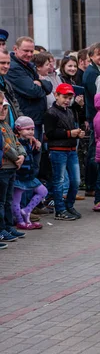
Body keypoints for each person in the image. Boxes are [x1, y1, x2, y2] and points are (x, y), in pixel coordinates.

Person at [6, 37, 53, 164]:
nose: (29, 54)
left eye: (32, 51)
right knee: (29, 160)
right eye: (26, 50)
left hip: (35, 118)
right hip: (25, 121)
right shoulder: (14, 67)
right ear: (15, 49)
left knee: (36, 157)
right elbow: (32, 91)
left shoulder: (30, 65)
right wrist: (38, 85)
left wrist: (39, 83)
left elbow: (49, 86)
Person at [44, 83, 85, 220]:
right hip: (58, 150)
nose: (67, 100)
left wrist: (78, 133)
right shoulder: (51, 113)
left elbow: (70, 129)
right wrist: (69, 133)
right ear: (56, 95)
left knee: (76, 180)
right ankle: (60, 209)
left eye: (69, 98)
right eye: (64, 97)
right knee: (59, 181)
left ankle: (69, 205)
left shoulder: (69, 111)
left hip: (71, 149)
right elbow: (50, 133)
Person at [0, 93, 27, 244]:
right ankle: (2, 228)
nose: (3, 110)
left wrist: (22, 155)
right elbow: (4, 147)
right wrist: (16, 157)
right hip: (4, 166)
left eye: (5, 108)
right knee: (2, 201)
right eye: (1, 107)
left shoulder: (6, 125)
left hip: (12, 167)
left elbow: (17, 142)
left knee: (8, 200)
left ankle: (8, 226)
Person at [82, 42, 100, 197]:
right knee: (94, 152)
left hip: (97, 116)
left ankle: (95, 184)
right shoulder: (91, 73)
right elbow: (97, 96)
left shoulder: (98, 70)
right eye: (99, 54)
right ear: (91, 56)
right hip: (95, 116)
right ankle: (91, 185)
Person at [11, 116, 45, 230]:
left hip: (28, 176)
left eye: (32, 129)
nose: (31, 132)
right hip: (19, 176)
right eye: (27, 129)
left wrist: (37, 148)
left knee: (43, 191)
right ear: (19, 129)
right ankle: (21, 221)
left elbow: (31, 157)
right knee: (17, 199)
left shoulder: (28, 142)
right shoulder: (16, 142)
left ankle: (26, 212)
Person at [0, 50, 22, 128]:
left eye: (8, 63)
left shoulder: (6, 83)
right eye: (2, 63)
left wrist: (22, 124)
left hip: (10, 130)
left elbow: (15, 105)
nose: (6, 66)